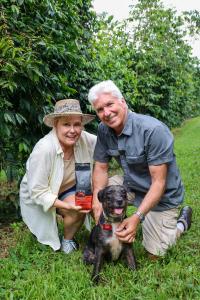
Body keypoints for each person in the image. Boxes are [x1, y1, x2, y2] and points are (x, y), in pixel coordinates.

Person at [88, 80, 192, 259]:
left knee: (154, 255)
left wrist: (137, 217)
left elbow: (159, 182)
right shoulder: (104, 130)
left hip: (161, 195)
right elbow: (101, 168)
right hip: (131, 186)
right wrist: (97, 203)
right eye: (99, 109)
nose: (106, 113)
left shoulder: (153, 130)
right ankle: (115, 230)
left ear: (123, 101)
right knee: (98, 193)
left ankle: (181, 223)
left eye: (109, 104)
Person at [20, 99, 96, 254]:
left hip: (69, 187)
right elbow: (38, 192)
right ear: (56, 124)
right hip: (42, 192)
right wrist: (66, 206)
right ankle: (62, 237)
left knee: (86, 203)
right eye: (66, 124)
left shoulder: (85, 139)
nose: (73, 130)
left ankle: (72, 239)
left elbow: (107, 144)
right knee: (74, 207)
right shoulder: (44, 149)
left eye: (77, 124)